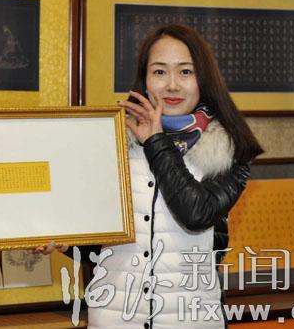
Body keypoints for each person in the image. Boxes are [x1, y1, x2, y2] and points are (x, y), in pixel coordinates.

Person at [35, 24, 263, 328]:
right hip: (116, 317)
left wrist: (155, 141)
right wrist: (69, 243)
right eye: (159, 72)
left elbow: (196, 214)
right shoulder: (114, 142)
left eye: (185, 72)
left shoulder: (229, 148)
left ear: (204, 79)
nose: (172, 85)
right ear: (144, 80)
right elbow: (107, 246)